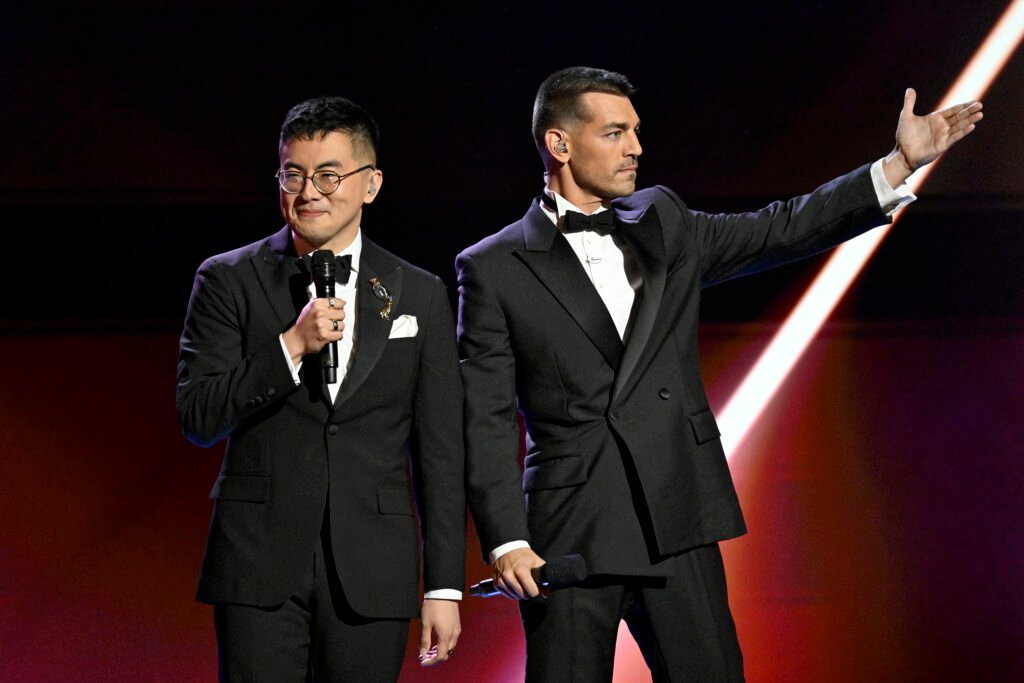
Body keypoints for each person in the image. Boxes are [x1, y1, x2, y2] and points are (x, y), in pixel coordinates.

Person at [456, 66, 982, 682]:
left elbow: (781, 227)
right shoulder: (494, 266)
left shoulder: (663, 219)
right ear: (560, 144)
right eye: (616, 133)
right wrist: (506, 540)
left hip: (677, 517)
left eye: (637, 131)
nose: (636, 148)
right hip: (572, 531)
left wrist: (897, 165)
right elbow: (484, 417)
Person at [176, 96, 465, 682]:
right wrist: (290, 346)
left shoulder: (419, 293)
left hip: (373, 567)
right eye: (294, 175)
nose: (309, 192)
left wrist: (443, 586)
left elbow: (440, 450)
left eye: (329, 176)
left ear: (370, 184)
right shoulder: (228, 279)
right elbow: (198, 415)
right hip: (258, 564)